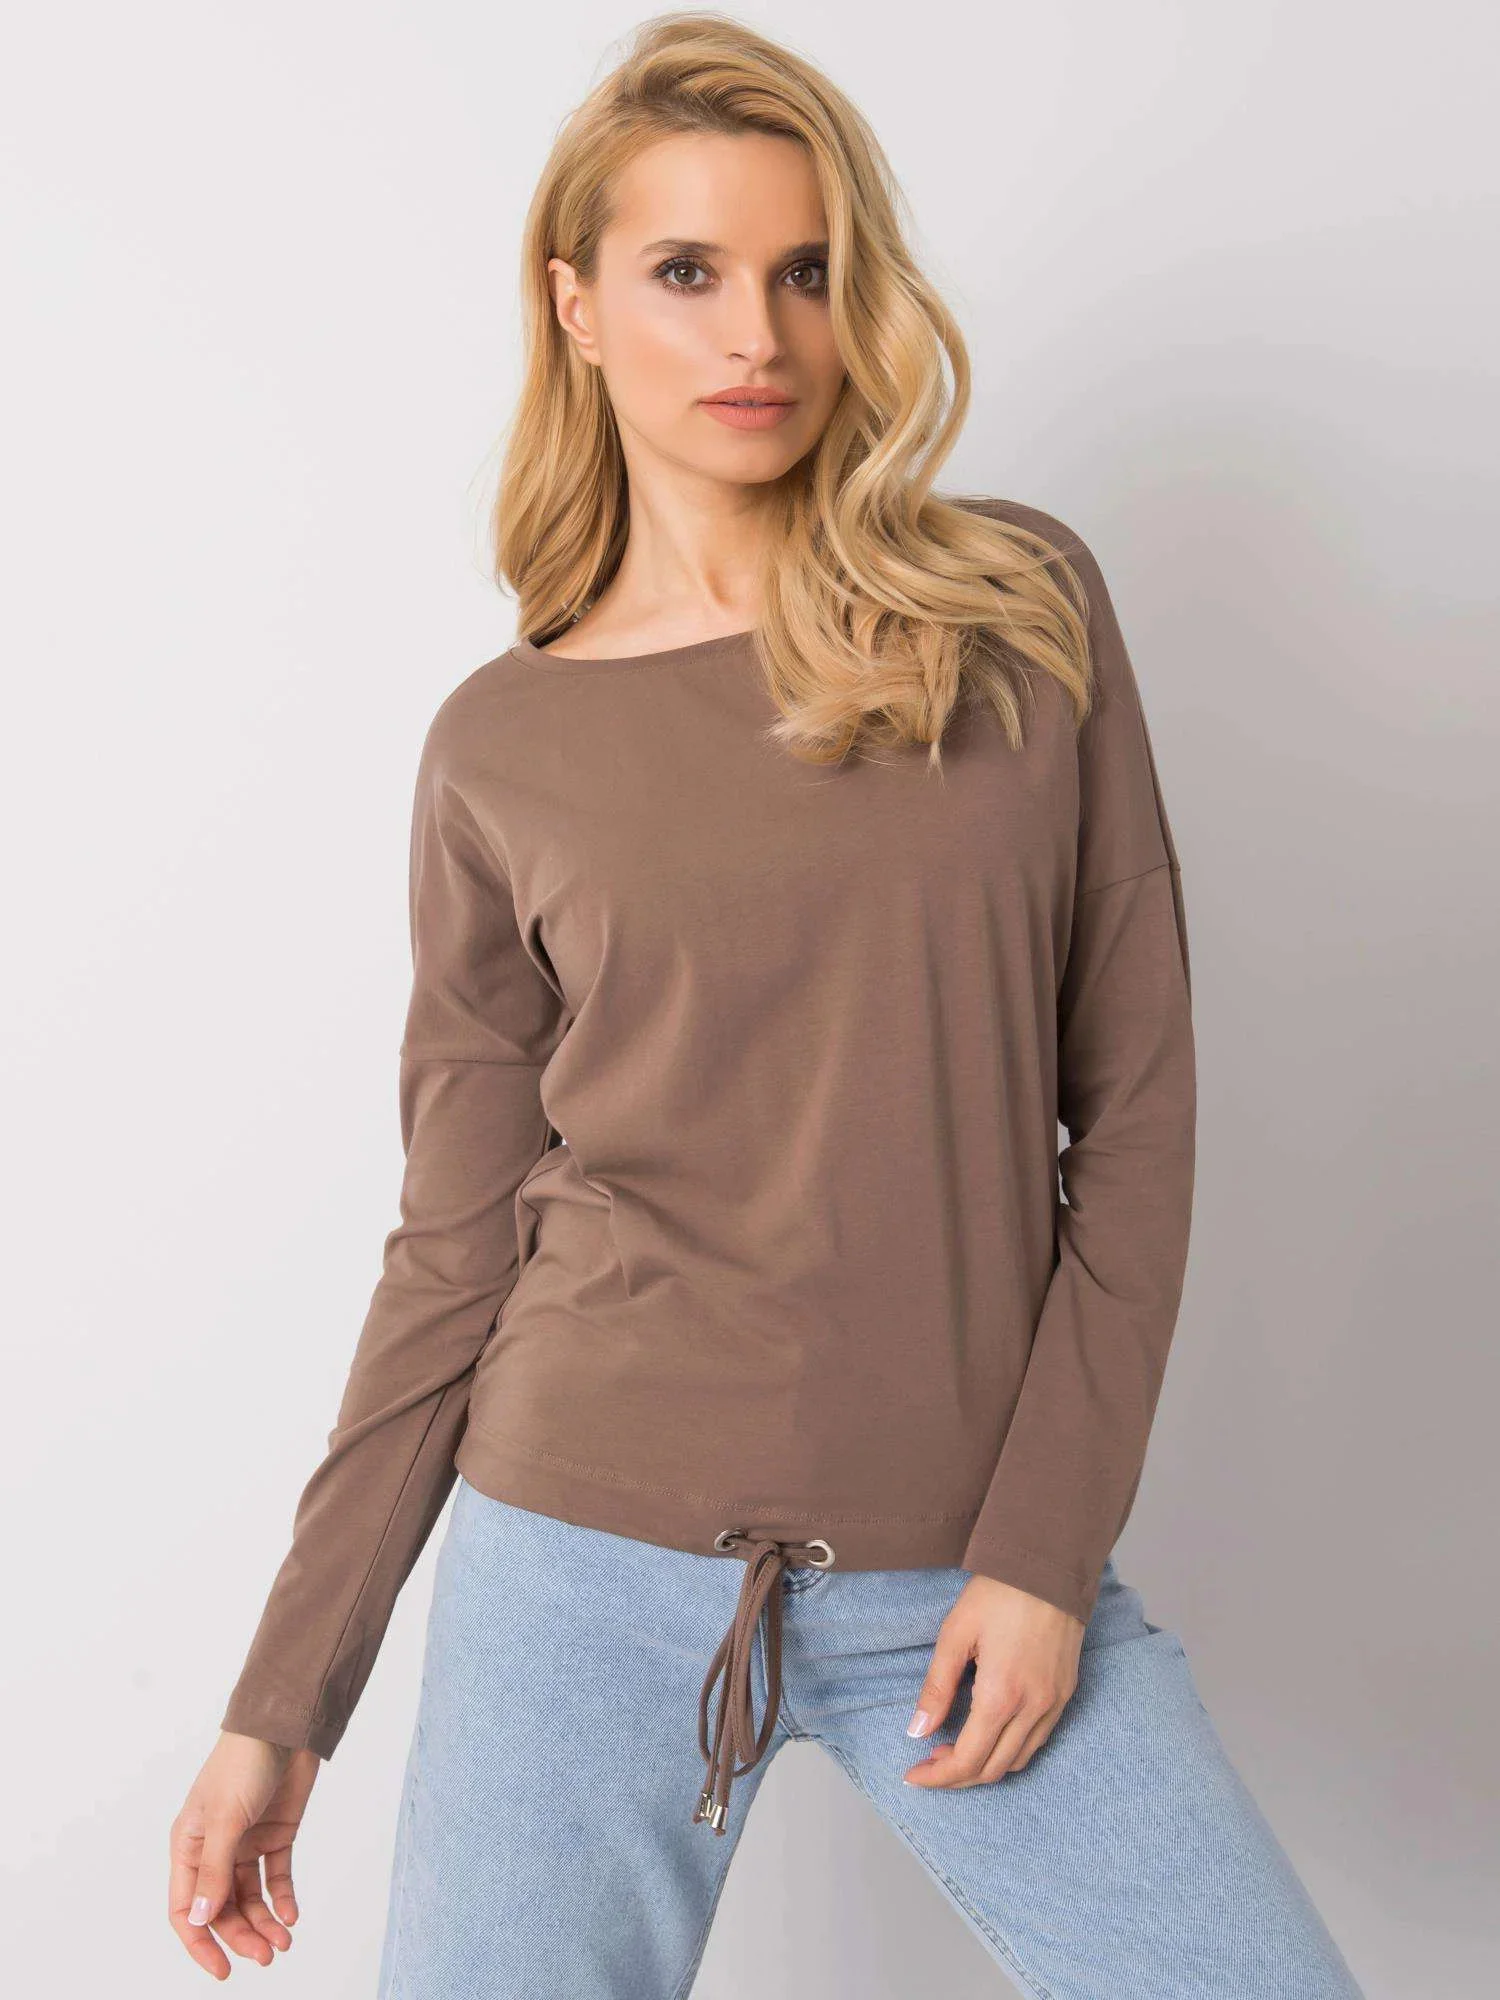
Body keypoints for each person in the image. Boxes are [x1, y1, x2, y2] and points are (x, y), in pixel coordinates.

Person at [168, 13, 1365, 1996]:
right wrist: (282, 1702)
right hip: (579, 1565)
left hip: (964, 1567)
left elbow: (1138, 1115)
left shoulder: (1018, 615)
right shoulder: (502, 749)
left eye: (807, 271)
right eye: (688, 271)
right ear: (577, 304)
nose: (759, 335)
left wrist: (1042, 1552)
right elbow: (456, 1247)